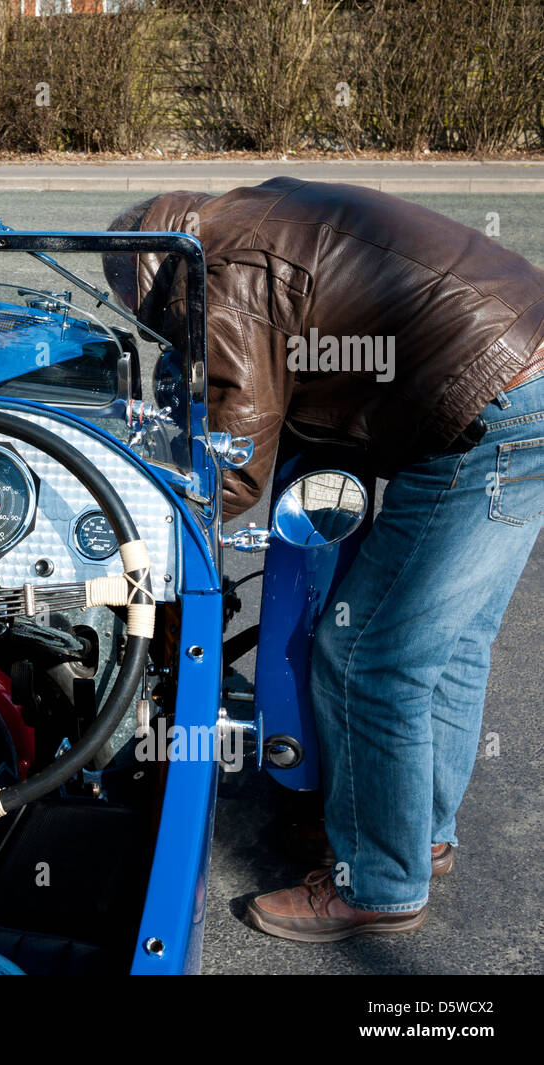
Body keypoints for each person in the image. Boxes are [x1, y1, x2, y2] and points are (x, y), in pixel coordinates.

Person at [105, 177, 544, 941]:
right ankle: (418, 836)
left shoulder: (219, 276)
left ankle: (376, 885)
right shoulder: (254, 213)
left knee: (367, 655)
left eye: (157, 318)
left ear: (156, 278)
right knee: (450, 646)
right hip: (526, 367)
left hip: (487, 404)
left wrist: (134, 534)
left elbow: (234, 463)